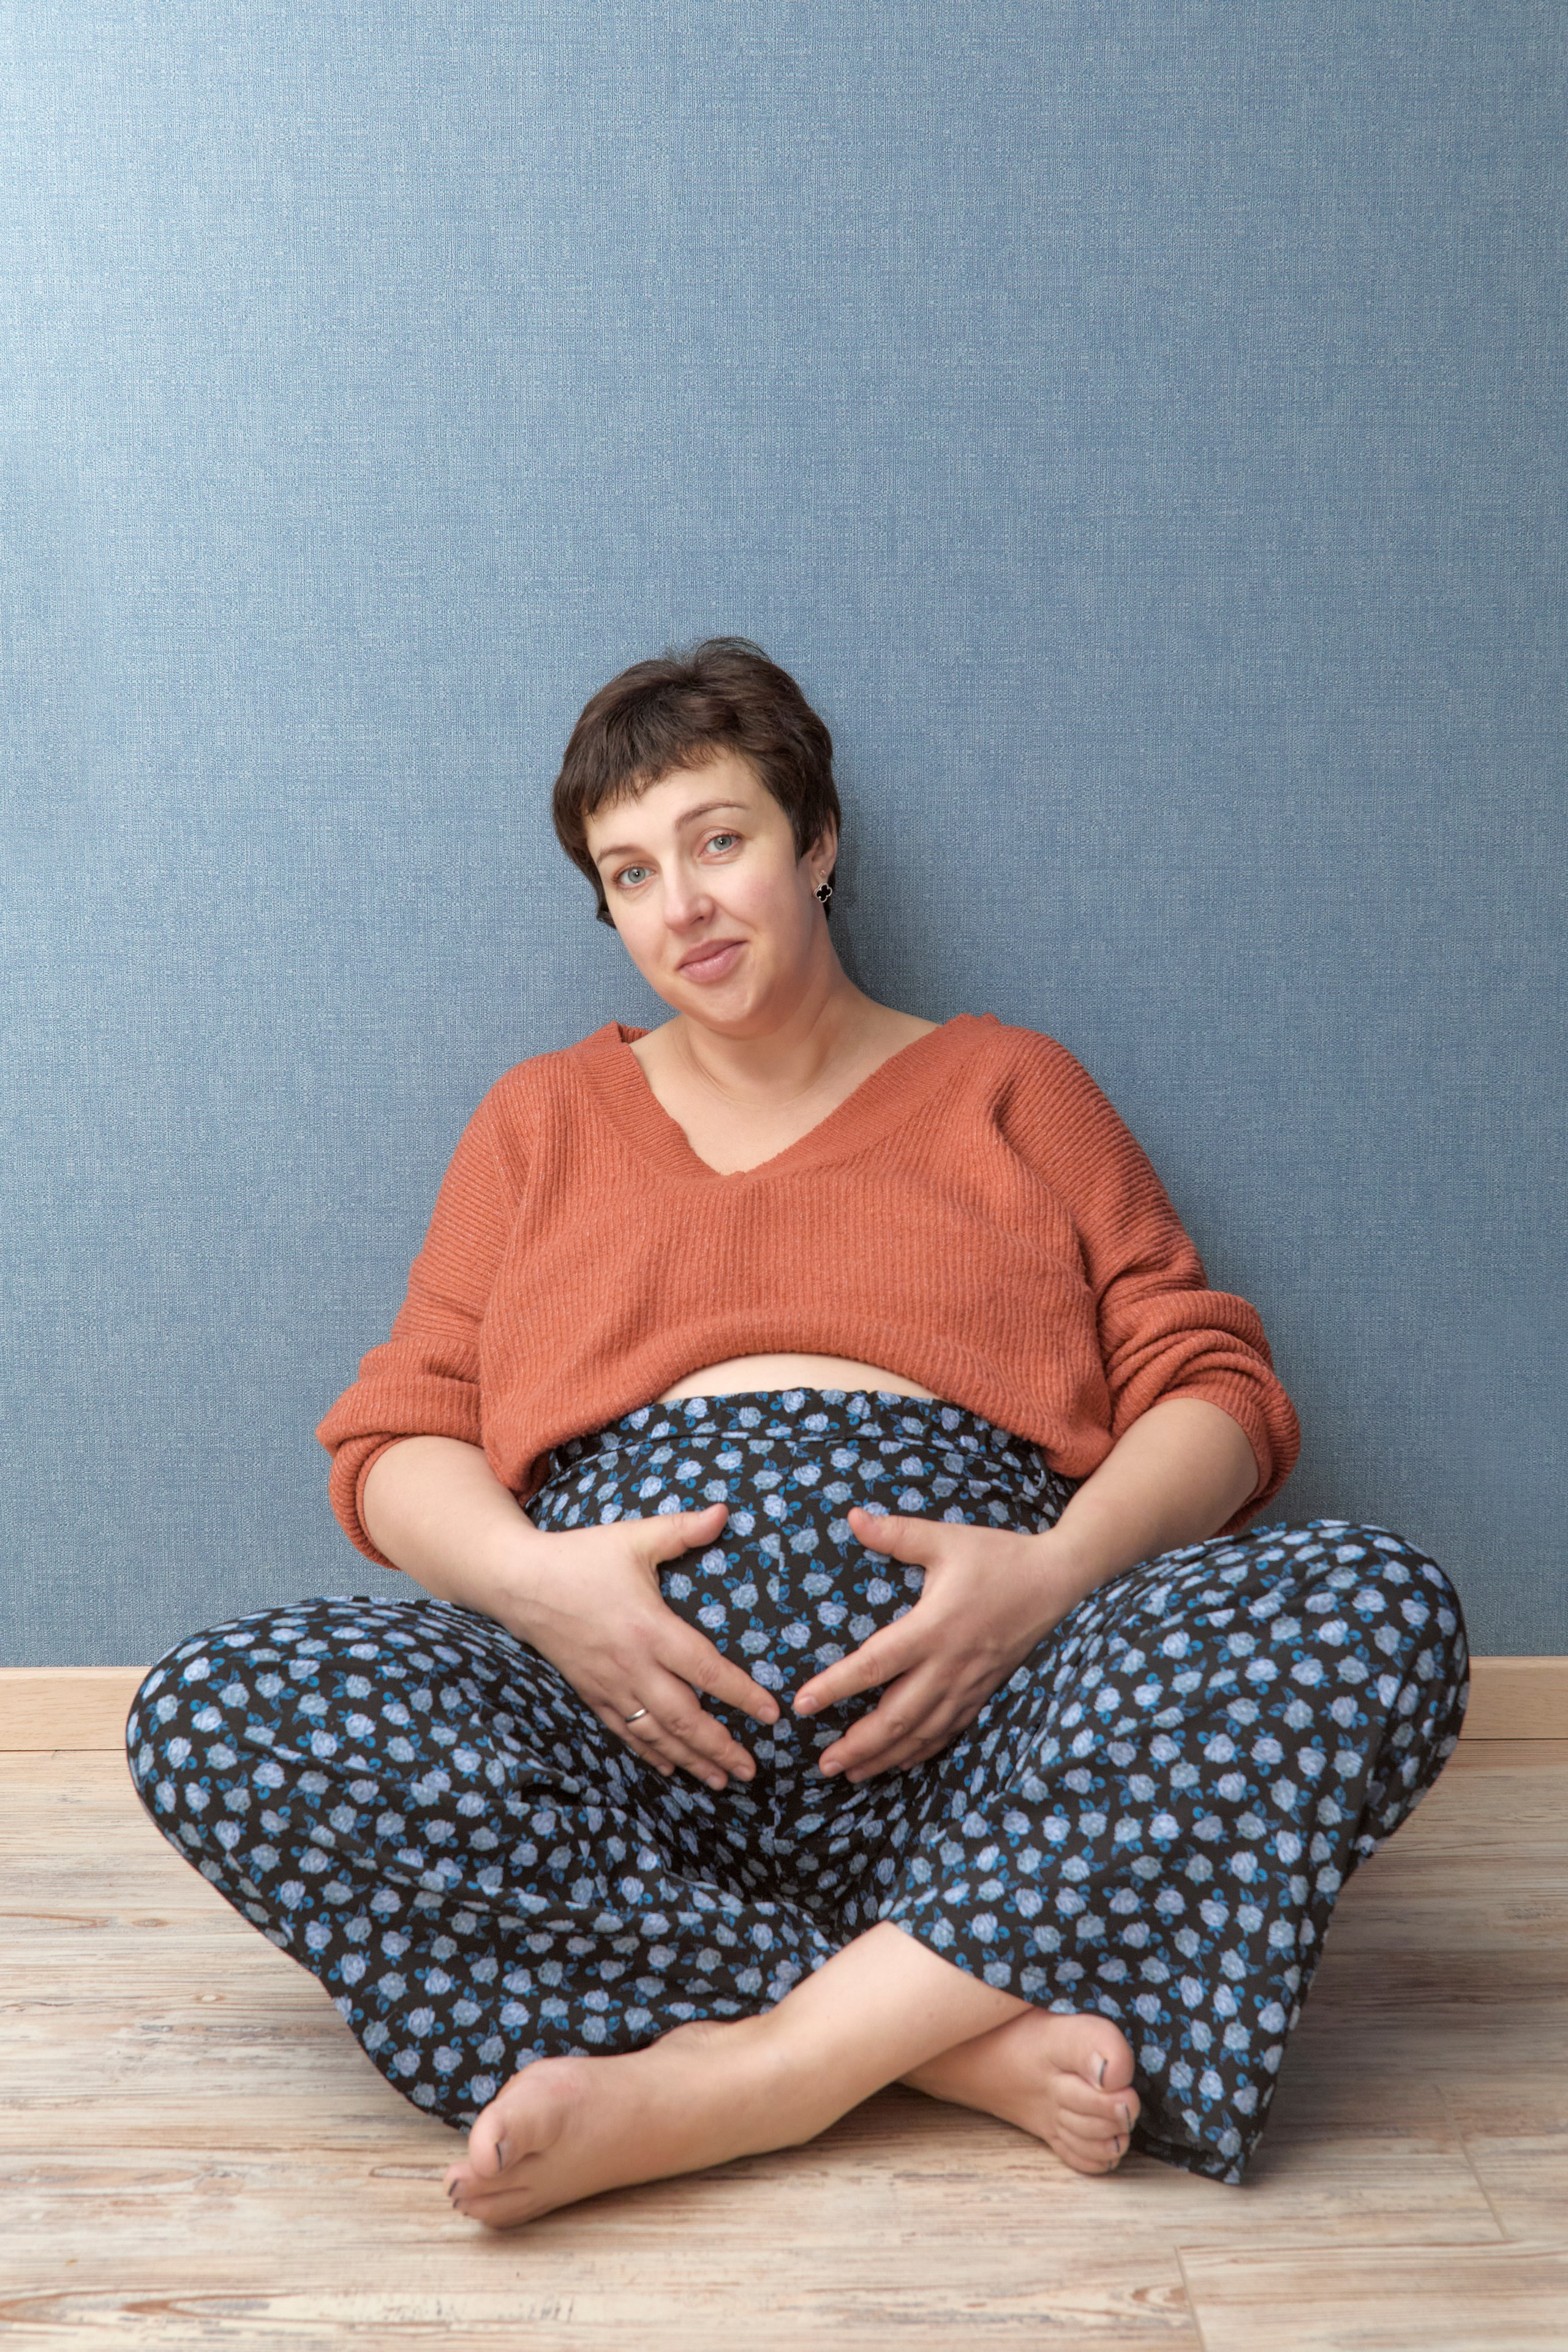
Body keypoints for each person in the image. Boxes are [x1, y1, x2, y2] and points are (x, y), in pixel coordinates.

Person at [127, 638, 1467, 2229]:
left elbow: (1218, 1400)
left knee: (1377, 1609)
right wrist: (542, 1589)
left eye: (718, 840)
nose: (681, 904)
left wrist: (1050, 1579)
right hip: (617, 1749)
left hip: (999, 1742)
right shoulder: (539, 1123)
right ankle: (940, 2039)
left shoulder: (1009, 1087)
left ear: (815, 842)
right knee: (215, 1710)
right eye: (629, 873)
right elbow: (397, 1438)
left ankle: (747, 2077)